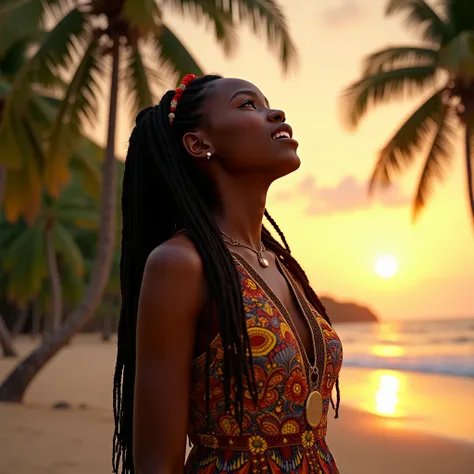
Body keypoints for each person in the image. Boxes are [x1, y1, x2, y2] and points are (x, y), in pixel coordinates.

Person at [112, 73, 343, 474]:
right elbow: (155, 460)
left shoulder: (280, 265)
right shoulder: (181, 265)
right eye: (248, 105)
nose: (275, 113)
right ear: (200, 143)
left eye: (267, 102)